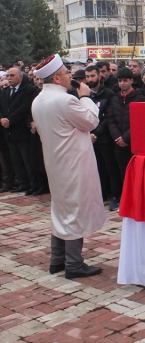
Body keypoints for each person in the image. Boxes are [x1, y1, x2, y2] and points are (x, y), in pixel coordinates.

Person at [31, 54, 105, 279]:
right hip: (73, 163)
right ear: (56, 78)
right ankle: (74, 263)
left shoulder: (38, 100)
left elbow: (64, 130)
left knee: (61, 208)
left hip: (55, 162)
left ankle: (57, 260)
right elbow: (91, 121)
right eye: (65, 73)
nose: (69, 76)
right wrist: (85, 98)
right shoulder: (66, 100)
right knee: (75, 210)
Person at [85, 66, 120, 211]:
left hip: (104, 138)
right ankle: (101, 194)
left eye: (92, 76)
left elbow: (108, 117)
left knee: (110, 168)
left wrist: (97, 134)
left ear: (99, 76)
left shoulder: (109, 94)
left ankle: (115, 196)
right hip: (89, 138)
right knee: (96, 168)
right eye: (87, 76)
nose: (90, 79)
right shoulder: (85, 95)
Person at [107, 67, 145, 189]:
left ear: (131, 81)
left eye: (125, 80)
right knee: (122, 172)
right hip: (118, 142)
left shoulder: (140, 98)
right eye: (120, 81)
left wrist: (126, 138)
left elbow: (141, 121)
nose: (122, 83)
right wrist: (117, 137)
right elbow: (111, 119)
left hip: (133, 143)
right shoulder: (114, 98)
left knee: (136, 172)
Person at [0, 68, 37, 194]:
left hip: (22, 131)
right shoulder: (5, 91)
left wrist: (10, 120)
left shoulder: (28, 90)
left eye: (12, 75)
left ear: (20, 76)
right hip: (8, 131)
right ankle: (22, 183)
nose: (9, 78)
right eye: (8, 75)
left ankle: (33, 184)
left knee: (27, 160)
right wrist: (2, 119)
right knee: (15, 160)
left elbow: (24, 108)